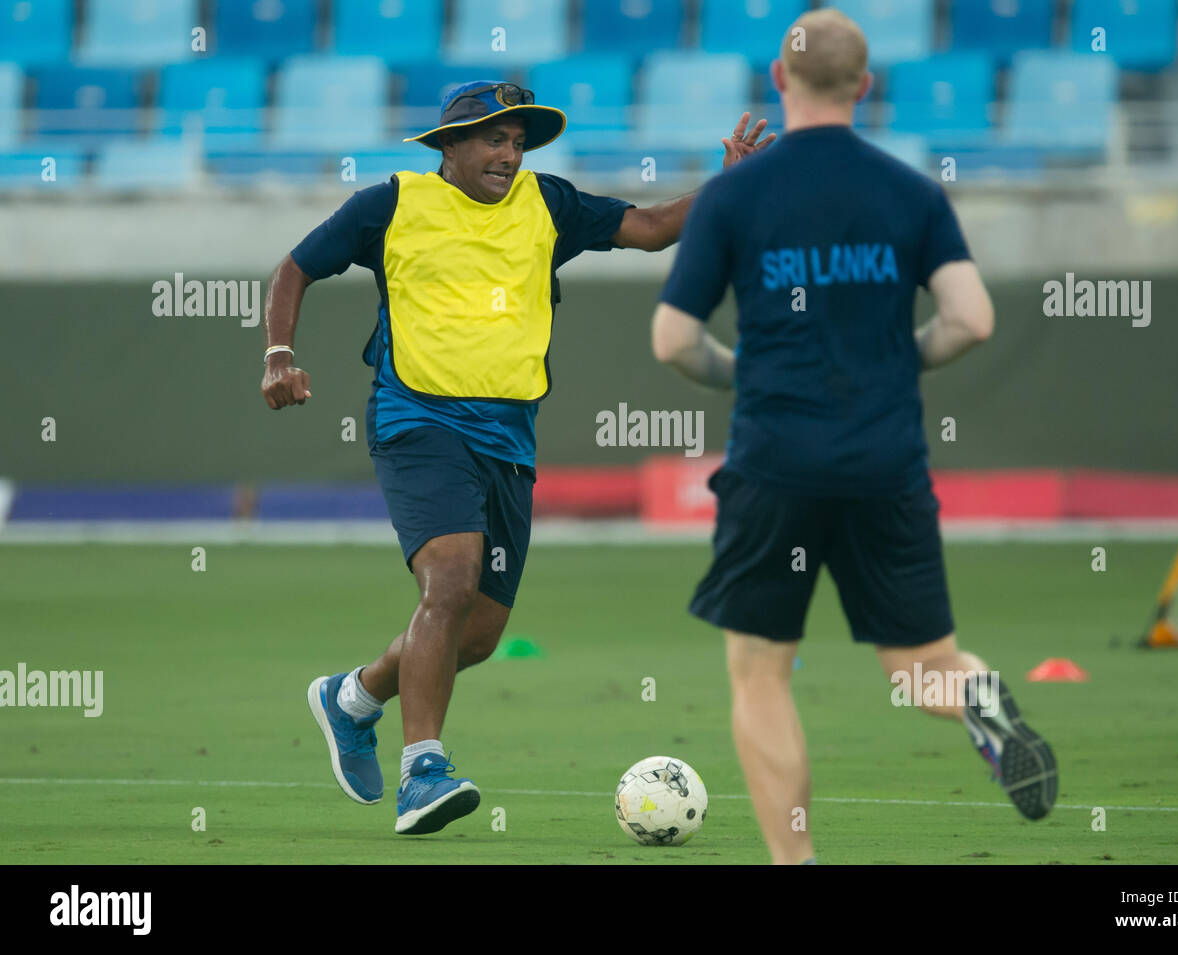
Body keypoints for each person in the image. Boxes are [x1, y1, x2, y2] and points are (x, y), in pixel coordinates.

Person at [261, 80, 773, 836]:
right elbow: (294, 268)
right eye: (495, 138)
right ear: (449, 146)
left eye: (518, 141)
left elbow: (656, 227)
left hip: (508, 436)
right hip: (416, 417)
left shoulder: (549, 204)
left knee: (478, 630)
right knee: (451, 578)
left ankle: (355, 697)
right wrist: (279, 353)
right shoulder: (389, 205)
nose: (510, 153)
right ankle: (423, 770)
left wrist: (730, 183)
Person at [651, 10, 1057, 864]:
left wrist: (742, 373)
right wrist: (895, 360)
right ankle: (978, 696)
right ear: (865, 85)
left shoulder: (734, 193)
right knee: (920, 666)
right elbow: (973, 320)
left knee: (761, 672)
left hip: (775, 462)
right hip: (884, 462)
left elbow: (673, 341)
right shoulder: (910, 191)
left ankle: (795, 862)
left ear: (776, 80)